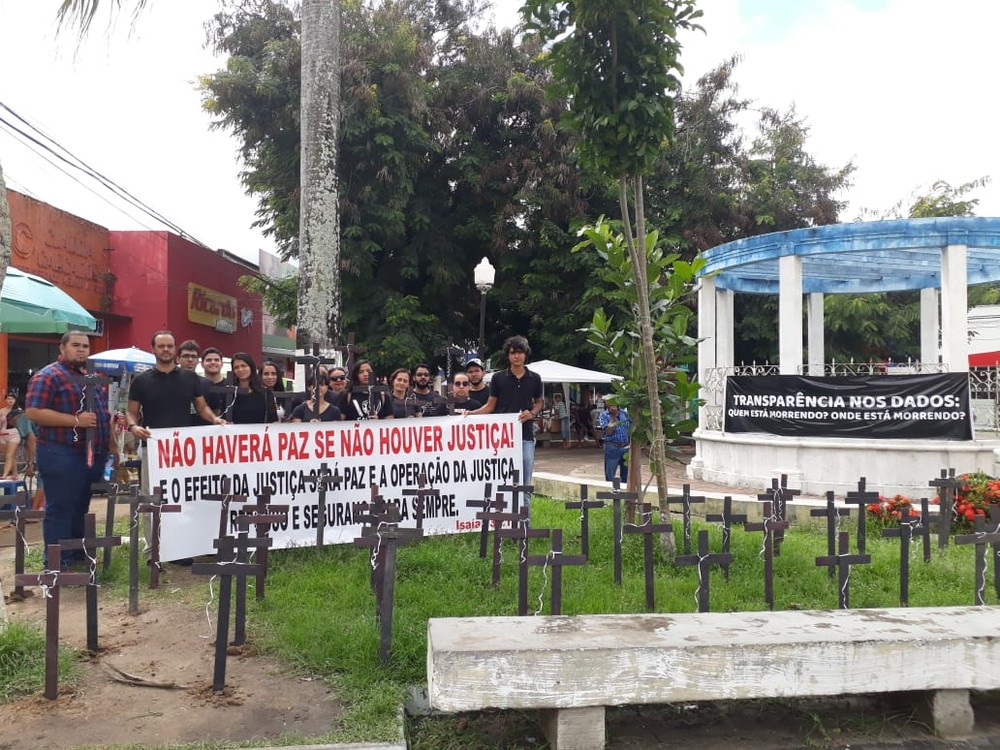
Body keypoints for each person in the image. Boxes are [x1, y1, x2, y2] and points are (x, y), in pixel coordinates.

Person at [25, 331, 111, 569]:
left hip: (92, 454)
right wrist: (76, 420)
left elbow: (102, 413)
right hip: (60, 452)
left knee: (80, 506)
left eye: (85, 345)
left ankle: (77, 556)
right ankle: (56, 564)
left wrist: (112, 445)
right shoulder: (48, 375)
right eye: (75, 345)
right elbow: (33, 412)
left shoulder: (92, 376)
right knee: (61, 508)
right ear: (62, 348)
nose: (81, 349)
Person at [467, 335, 543, 511]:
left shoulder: (535, 378)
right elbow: (490, 406)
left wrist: (532, 413)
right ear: (508, 355)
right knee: (500, 480)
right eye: (513, 352)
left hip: (525, 436)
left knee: (524, 483)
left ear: (526, 354)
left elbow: (539, 402)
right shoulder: (498, 378)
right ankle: (502, 518)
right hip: (501, 438)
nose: (517, 356)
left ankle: (524, 522)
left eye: (520, 352)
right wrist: (470, 414)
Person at [223, 352, 278, 424]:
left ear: (251, 367)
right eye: (236, 367)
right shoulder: (229, 392)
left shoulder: (265, 393)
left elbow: (273, 419)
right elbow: (223, 417)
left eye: (243, 366)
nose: (240, 369)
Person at [598, 401, 632, 484]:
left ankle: (624, 490)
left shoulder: (624, 414)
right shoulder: (604, 415)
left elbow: (631, 428)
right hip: (612, 447)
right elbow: (608, 431)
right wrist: (613, 418)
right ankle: (611, 490)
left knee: (626, 474)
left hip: (625, 447)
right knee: (610, 474)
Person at [199, 347, 229, 425]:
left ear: (222, 364)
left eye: (216, 360)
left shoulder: (231, 386)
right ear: (202, 364)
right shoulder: (197, 385)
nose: (213, 362)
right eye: (208, 360)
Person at [0, 393, 24, 478]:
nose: (10, 400)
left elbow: (21, 424)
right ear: (5, 400)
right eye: (8, 398)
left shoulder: (18, 410)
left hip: (13, 434)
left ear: (15, 400)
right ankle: (15, 474)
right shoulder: (1, 411)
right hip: (2, 435)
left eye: (12, 399)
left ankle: (5, 474)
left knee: (9, 455)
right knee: (10, 455)